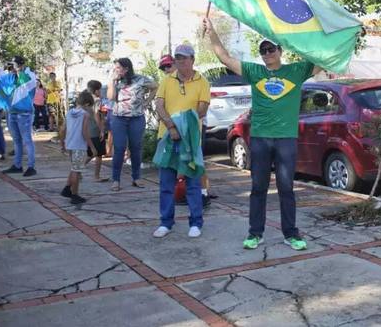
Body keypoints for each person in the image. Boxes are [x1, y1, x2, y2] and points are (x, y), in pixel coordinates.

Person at [205, 18, 323, 251]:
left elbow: (324, 59)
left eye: (271, 49)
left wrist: (346, 37)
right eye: (263, 50)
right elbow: (225, 57)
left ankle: (291, 234)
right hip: (259, 139)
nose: (267, 53)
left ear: (280, 51)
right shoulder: (255, 71)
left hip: (286, 139)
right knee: (258, 187)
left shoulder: (296, 71)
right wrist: (212, 33)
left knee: (286, 188)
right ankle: (254, 233)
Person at [152, 44, 209, 239]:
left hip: (190, 140)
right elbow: (159, 105)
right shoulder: (167, 80)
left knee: (193, 182)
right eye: (178, 58)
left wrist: (184, 125)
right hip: (168, 136)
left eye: (184, 58)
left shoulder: (202, 81)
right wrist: (171, 126)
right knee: (166, 183)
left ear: (192, 59)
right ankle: (166, 222)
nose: (181, 61)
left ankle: (196, 222)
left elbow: (202, 109)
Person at [107, 58, 156, 191]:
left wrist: (147, 102)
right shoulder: (115, 81)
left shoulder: (140, 79)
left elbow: (155, 86)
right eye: (115, 68)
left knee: (136, 147)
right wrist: (112, 81)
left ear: (126, 68)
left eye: (118, 68)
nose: (116, 70)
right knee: (119, 148)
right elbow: (111, 97)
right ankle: (116, 179)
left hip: (136, 118)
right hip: (119, 118)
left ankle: (136, 177)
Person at [0, 56, 37, 177]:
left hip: (25, 113)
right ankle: (17, 165)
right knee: (17, 141)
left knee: (27, 140)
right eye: (11, 65)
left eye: (14, 65)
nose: (12, 68)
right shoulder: (10, 77)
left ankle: (31, 166)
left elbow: (26, 84)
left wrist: (20, 71)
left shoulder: (29, 75)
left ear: (21, 65)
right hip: (12, 113)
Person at [59, 91, 97, 205]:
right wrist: (92, 147)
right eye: (90, 106)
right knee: (76, 170)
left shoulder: (69, 112)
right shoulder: (85, 114)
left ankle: (67, 188)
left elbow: (63, 129)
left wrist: (62, 143)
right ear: (86, 104)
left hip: (69, 144)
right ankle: (74, 195)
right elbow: (85, 132)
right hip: (79, 145)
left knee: (74, 167)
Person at [85, 80, 108, 182]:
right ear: (97, 90)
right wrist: (102, 130)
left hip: (87, 129)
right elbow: (97, 116)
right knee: (98, 154)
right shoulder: (98, 101)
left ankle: (77, 169)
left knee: (91, 153)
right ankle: (96, 176)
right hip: (96, 130)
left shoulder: (85, 100)